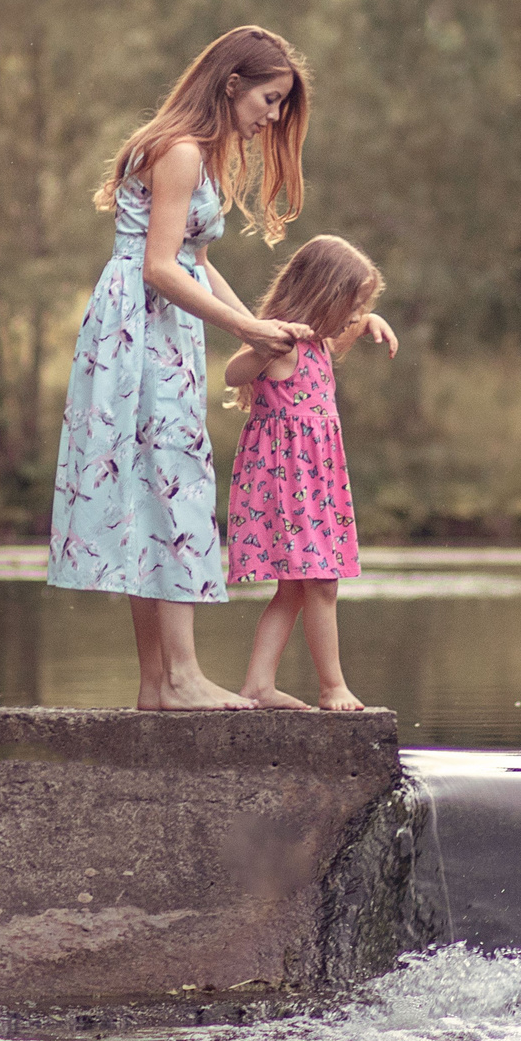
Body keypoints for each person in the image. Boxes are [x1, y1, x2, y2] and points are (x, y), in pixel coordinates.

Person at [48, 26, 316, 710]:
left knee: (152, 487)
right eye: (269, 97)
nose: (273, 115)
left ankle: (158, 683)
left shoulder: (196, 153)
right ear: (232, 85)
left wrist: (257, 320)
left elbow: (195, 258)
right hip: (143, 329)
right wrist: (244, 329)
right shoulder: (181, 151)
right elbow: (160, 266)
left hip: (152, 327)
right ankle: (183, 676)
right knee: (172, 484)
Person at [220, 235, 399, 711]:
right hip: (287, 479)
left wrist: (366, 326)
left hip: (314, 480)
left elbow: (338, 336)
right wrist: (264, 346)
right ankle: (332, 686)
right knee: (321, 580)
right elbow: (232, 374)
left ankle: (258, 684)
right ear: (324, 295)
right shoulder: (281, 343)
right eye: (353, 306)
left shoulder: (318, 343)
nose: (355, 315)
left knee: (299, 585)